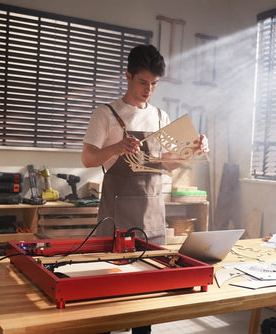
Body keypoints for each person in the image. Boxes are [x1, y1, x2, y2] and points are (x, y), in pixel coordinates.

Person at [81, 44, 209, 334]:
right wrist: (116, 147)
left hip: (152, 218)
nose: (149, 89)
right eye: (143, 82)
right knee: (108, 291)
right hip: (115, 219)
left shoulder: (162, 117)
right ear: (127, 76)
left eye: (154, 84)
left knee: (146, 294)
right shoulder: (106, 113)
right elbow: (88, 158)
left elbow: (169, 165)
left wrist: (193, 150)